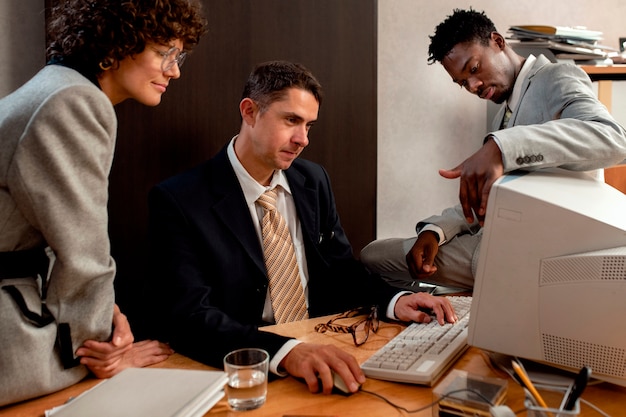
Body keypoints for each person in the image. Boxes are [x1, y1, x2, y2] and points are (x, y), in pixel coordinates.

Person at [144, 60, 458, 396]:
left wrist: (396, 300)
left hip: (328, 346)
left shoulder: (313, 180)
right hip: (248, 367)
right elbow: (191, 316)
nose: (303, 139)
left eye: (309, 125)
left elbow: (340, 270)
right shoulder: (179, 199)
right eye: (291, 120)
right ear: (250, 112)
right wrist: (285, 352)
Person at [0, 0, 207, 406]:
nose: (175, 70)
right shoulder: (74, 101)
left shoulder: (53, 88)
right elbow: (83, 254)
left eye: (178, 56)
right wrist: (104, 348)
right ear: (118, 43)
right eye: (166, 53)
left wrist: (104, 316)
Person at [360, 8, 626, 292]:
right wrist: (435, 231)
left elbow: (613, 139)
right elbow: (485, 199)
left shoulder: (556, 76)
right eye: (462, 82)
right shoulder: (502, 116)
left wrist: (503, 147)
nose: (473, 86)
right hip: (496, 237)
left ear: (497, 42)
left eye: (473, 69)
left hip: (536, 250)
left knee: (374, 258)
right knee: (378, 254)